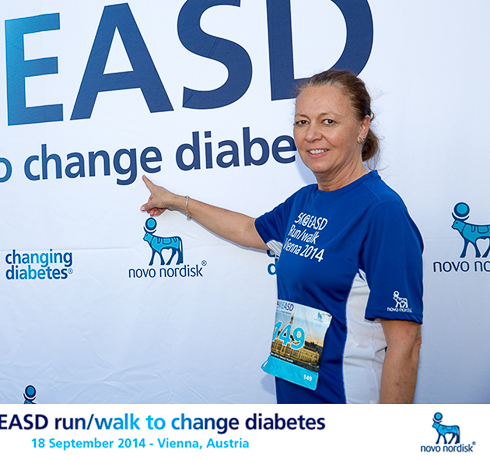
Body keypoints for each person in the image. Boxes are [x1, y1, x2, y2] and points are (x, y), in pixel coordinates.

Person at [141, 69, 423, 404]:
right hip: (295, 400)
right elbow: (249, 230)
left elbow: (406, 342)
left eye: (328, 121)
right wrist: (178, 201)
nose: (312, 135)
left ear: (362, 127)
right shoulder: (305, 200)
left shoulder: (382, 211)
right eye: (302, 122)